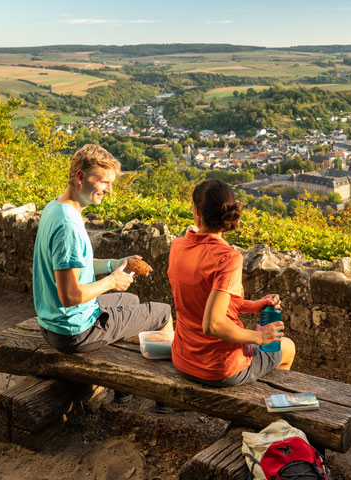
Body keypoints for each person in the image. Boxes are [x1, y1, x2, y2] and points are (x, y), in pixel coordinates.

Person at [32, 144, 173, 409]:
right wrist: (112, 282)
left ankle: (122, 387)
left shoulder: (56, 208)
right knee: (162, 313)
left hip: (52, 324)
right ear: (80, 177)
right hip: (74, 332)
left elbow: (73, 265)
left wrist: (115, 264)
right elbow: (70, 295)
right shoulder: (69, 227)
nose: (109, 190)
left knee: (129, 300)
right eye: (104, 182)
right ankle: (166, 398)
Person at [167, 179, 296, 387]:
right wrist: (258, 337)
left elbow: (200, 299)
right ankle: (264, 410)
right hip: (219, 368)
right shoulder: (227, 258)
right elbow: (212, 325)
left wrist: (252, 306)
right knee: (287, 347)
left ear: (196, 212)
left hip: (183, 359)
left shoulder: (177, 246)